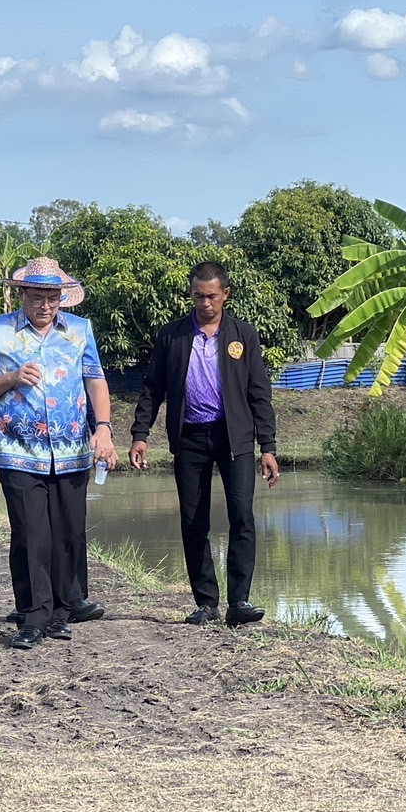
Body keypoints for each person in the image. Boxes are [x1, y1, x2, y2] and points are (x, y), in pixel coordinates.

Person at [0, 258, 118, 650]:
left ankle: (60, 613)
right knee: (32, 532)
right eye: (37, 298)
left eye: (53, 299)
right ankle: (33, 615)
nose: (46, 307)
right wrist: (11, 378)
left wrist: (102, 429)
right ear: (21, 295)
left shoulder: (80, 330)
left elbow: (95, 381)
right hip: (19, 449)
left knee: (68, 531)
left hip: (71, 450)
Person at [129, 261, 280, 627]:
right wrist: (140, 434)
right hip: (190, 437)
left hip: (235, 439)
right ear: (192, 294)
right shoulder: (173, 336)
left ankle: (239, 601)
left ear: (225, 294)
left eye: (212, 296)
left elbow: (259, 392)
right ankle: (207, 603)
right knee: (193, 521)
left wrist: (268, 446)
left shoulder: (243, 335)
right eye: (198, 295)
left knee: (242, 516)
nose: (205, 303)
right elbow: (153, 387)